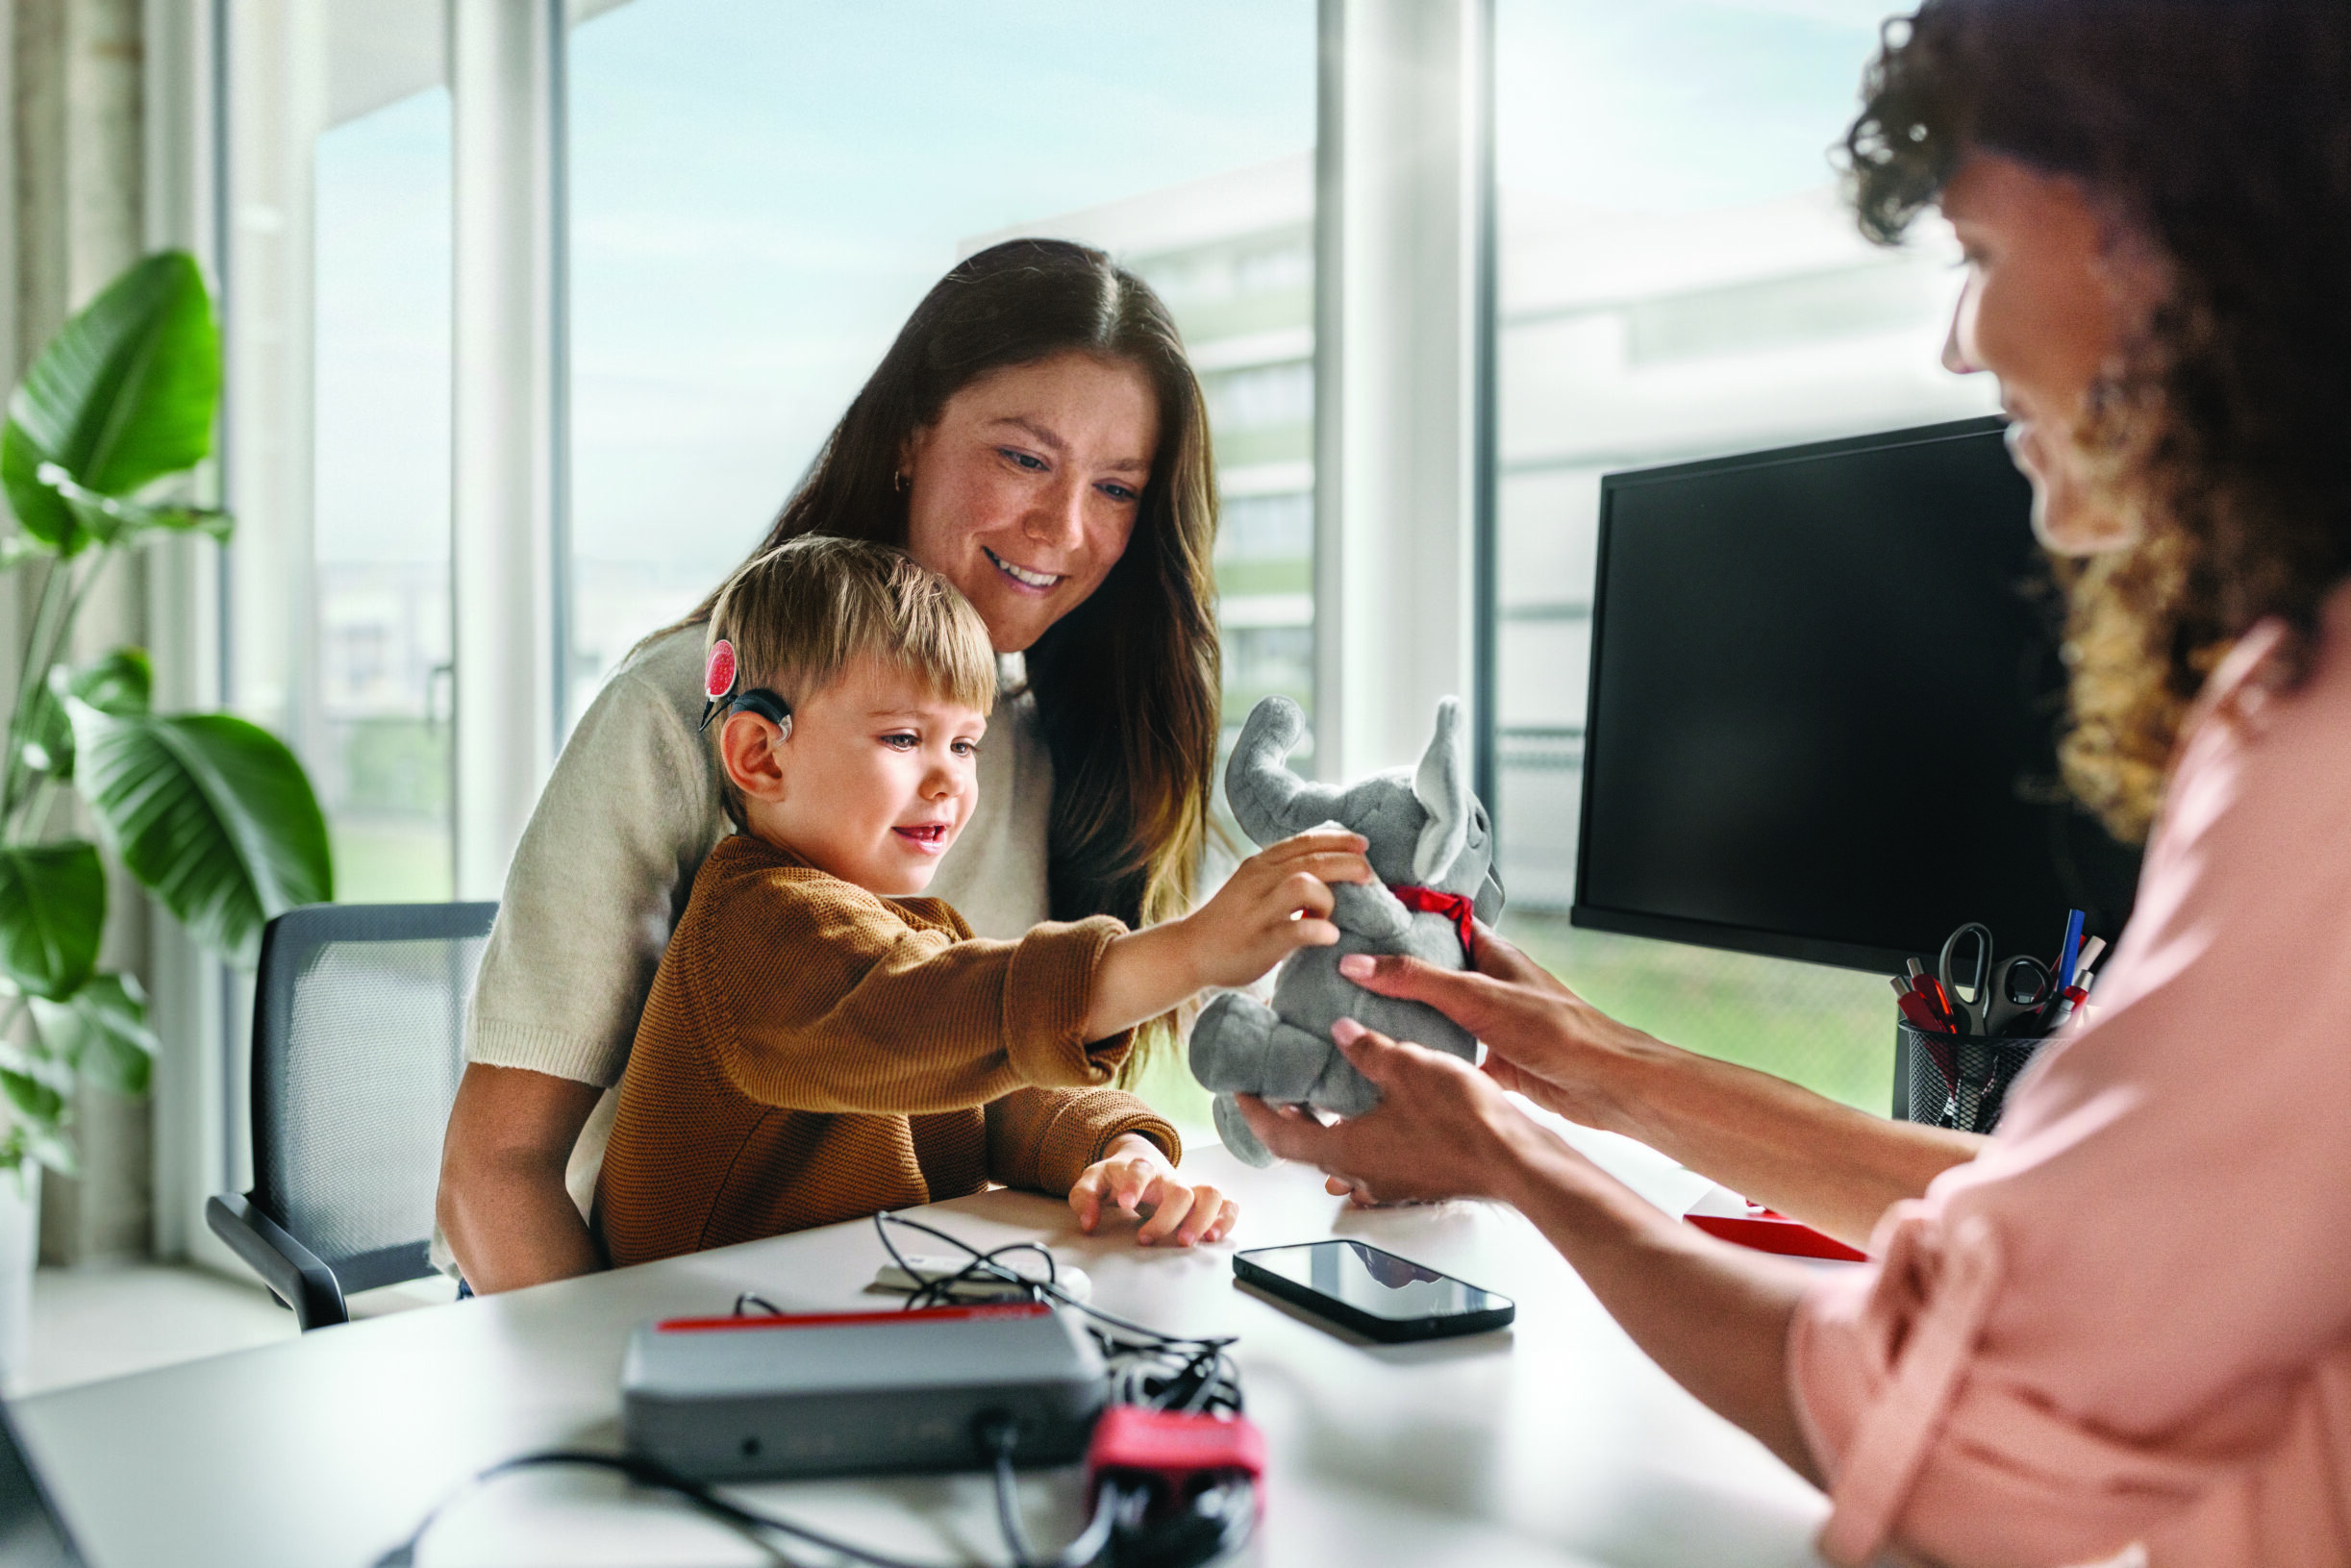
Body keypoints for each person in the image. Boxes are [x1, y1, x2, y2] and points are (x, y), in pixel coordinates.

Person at [1238, 3, 2351, 1564]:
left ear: (2166, 227)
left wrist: (1511, 1159)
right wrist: (1593, 1064)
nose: (1964, 341)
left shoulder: (2322, 740)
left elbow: (1969, 1429)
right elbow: (2043, 1226)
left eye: (1975, 252)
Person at [438, 239, 1229, 1290]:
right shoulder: (685, 709)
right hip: (656, 1327)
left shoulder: (1046, 750)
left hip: (912, 1311)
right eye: (1025, 459)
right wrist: (635, 1418)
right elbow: (494, 1172)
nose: (1065, 527)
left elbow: (996, 1086)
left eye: (1119, 488)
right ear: (911, 436)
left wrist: (1119, 1147)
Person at [598, 536, 1363, 1265]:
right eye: (903, 738)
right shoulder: (749, 930)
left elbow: (1002, 1094)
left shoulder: (911, 931)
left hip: (853, 1301)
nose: (949, 780)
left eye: (963, 744)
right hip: (711, 1335)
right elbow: (922, 1014)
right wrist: (1191, 950)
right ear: (761, 756)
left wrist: (1119, 1152)